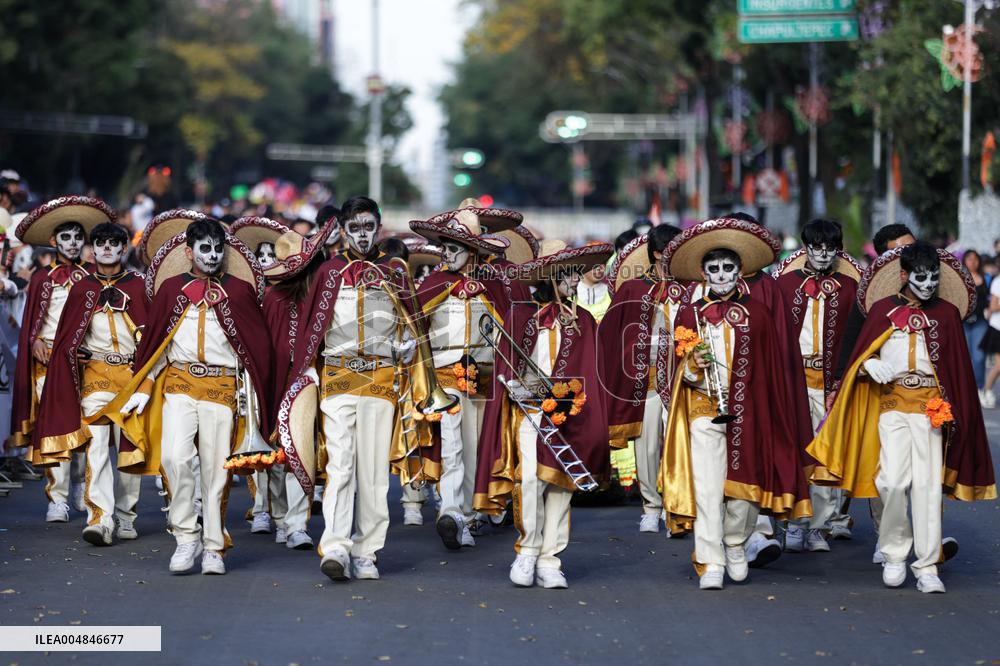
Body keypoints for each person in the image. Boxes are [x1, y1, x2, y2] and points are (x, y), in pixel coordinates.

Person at [809, 242, 995, 593]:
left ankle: (927, 565)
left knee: (926, 487)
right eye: (921, 277)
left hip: (931, 410)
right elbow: (859, 354)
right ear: (905, 275)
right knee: (892, 482)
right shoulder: (881, 310)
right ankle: (895, 553)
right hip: (891, 405)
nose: (927, 284)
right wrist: (867, 363)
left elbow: (957, 370)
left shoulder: (945, 315)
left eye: (934, 278)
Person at [106, 215, 276, 575]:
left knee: (217, 471)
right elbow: (157, 346)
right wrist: (145, 385)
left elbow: (254, 350)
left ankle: (214, 546)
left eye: (218, 249)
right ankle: (186, 536)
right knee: (174, 458)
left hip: (222, 388)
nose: (212, 255)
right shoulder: (170, 289)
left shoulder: (241, 292)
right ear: (189, 251)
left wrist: (255, 399)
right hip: (179, 386)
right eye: (205, 248)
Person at [659, 219, 811, 590]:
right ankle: (711, 561)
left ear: (740, 271)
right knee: (709, 489)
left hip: (749, 412)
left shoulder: (758, 313)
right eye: (714, 269)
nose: (722, 275)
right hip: (703, 412)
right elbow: (674, 369)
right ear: (703, 273)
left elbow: (771, 368)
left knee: (745, 487)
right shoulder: (688, 315)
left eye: (728, 268)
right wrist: (693, 369)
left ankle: (736, 543)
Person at [279, 196, 412, 583]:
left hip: (381, 379)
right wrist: (307, 373)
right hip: (337, 378)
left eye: (369, 227)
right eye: (354, 228)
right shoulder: (329, 272)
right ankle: (336, 546)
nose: (362, 235)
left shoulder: (394, 272)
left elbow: (411, 324)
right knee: (341, 466)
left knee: (373, 472)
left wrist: (405, 346)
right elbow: (310, 328)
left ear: (379, 228)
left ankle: (367, 551)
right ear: (342, 231)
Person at [476, 240, 613, 589]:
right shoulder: (520, 314)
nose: (575, 282)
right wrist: (522, 392)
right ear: (552, 278)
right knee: (531, 481)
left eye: (575, 276)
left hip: (569, 412)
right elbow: (507, 367)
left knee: (561, 485)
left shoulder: (583, 319)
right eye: (568, 276)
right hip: (529, 411)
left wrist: (571, 403)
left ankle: (552, 559)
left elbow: (592, 370)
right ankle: (528, 550)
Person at [33, 222, 147, 545]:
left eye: (114, 242)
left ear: (124, 248)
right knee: (96, 447)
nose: (107, 248)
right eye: (100, 242)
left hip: (131, 377)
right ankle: (100, 518)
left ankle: (126, 516)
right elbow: (68, 337)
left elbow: (150, 336)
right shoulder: (82, 288)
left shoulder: (139, 287)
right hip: (95, 377)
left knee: (131, 448)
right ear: (92, 249)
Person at [409, 208, 513, 549]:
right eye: (445, 247)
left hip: (484, 376)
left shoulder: (493, 286)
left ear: (473, 252)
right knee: (453, 446)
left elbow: (509, 333)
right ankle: (451, 513)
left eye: (454, 248)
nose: (447, 254)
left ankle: (467, 516)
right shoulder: (434, 283)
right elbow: (413, 325)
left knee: (475, 448)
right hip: (445, 374)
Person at [12, 197, 114, 522]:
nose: (72, 243)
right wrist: (35, 340)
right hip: (49, 361)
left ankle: (85, 492)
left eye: (77, 237)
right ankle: (56, 497)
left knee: (88, 429)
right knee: (54, 427)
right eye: (65, 237)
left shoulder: (95, 278)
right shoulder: (42, 278)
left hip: (87, 362)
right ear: (53, 242)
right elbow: (30, 320)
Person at [774, 220, 861, 550]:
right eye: (816, 247)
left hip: (830, 383)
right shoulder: (785, 286)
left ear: (838, 251)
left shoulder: (849, 289)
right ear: (805, 248)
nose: (823, 254)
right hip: (794, 380)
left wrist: (841, 381)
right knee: (796, 450)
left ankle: (819, 527)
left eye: (829, 248)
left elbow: (855, 339)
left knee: (825, 455)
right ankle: (795, 523)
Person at [599, 224, 684, 533]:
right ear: (659, 252)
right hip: (645, 380)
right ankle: (651, 505)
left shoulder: (692, 288)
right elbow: (611, 333)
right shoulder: (633, 289)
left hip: (683, 380)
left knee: (679, 445)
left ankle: (677, 504)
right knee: (647, 446)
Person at [259, 218, 337, 551]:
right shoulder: (272, 297)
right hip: (274, 380)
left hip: (310, 381)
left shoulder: (321, 298)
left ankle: (295, 524)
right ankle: (277, 514)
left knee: (302, 450)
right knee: (275, 450)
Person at [961, 250, 989, 403]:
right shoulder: (960, 280)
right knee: (965, 357)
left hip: (980, 322)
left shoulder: (986, 278)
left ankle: (980, 388)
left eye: (975, 259)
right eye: (969, 259)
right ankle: (967, 390)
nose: (973, 262)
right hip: (964, 322)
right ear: (965, 261)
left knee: (979, 356)